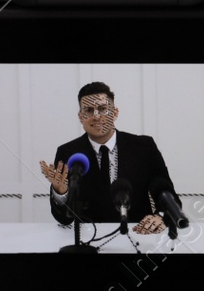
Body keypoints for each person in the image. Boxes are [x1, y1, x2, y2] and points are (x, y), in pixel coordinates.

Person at [39, 82, 172, 234]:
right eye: (88, 110)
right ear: (80, 116)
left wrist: (161, 216)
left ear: (115, 112)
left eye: (103, 109)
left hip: (139, 234)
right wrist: (61, 193)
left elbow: (166, 193)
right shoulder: (68, 152)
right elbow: (64, 219)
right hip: (88, 240)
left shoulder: (144, 146)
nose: (96, 116)